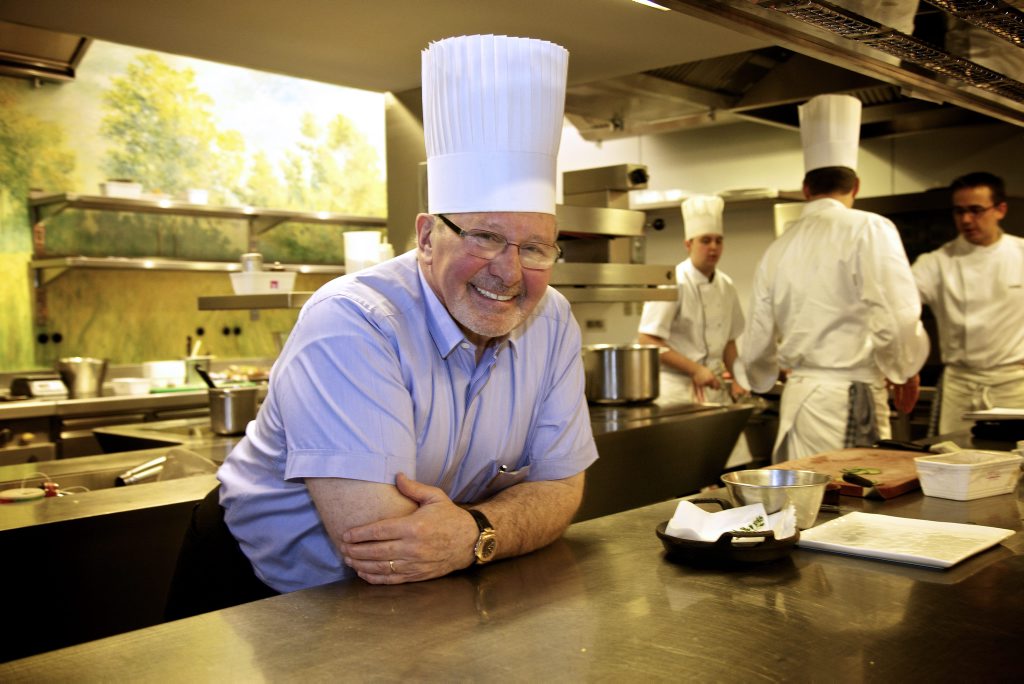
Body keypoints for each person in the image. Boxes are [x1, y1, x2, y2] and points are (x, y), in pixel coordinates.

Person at [165, 34, 598, 619]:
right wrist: (495, 525)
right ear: (425, 236)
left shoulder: (553, 321)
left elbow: (562, 490)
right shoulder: (352, 323)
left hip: (425, 592)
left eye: (536, 247)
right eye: (485, 237)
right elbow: (381, 545)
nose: (510, 272)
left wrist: (472, 532)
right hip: (260, 596)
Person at [739, 94, 929, 462]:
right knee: (854, 504)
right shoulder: (870, 228)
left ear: (806, 188)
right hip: (847, 398)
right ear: (856, 186)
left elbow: (758, 335)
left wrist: (759, 375)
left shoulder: (779, 247)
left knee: (807, 503)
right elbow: (895, 315)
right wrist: (904, 367)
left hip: (800, 400)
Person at [912, 172, 1024, 434]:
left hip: (1015, 383)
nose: (966, 220)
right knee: (954, 461)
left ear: (1000, 210)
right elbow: (899, 306)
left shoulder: (1021, 254)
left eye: (976, 210)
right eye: (959, 211)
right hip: (960, 384)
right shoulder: (937, 262)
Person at [637, 195, 748, 403]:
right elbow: (647, 340)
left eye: (718, 240)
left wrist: (738, 378)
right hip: (677, 391)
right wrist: (695, 369)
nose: (713, 247)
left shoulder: (727, 286)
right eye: (705, 241)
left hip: (714, 388)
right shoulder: (673, 282)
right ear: (688, 244)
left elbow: (729, 344)